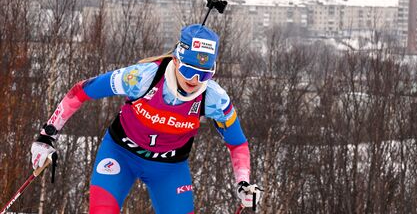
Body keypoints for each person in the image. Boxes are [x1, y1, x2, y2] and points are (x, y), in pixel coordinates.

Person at [30, 24, 262, 214]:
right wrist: (47, 135)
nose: (194, 80)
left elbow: (237, 143)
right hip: (120, 154)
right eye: (189, 70)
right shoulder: (141, 78)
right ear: (177, 60)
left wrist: (243, 182)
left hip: (169, 169)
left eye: (205, 74)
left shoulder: (214, 98)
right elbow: (81, 91)